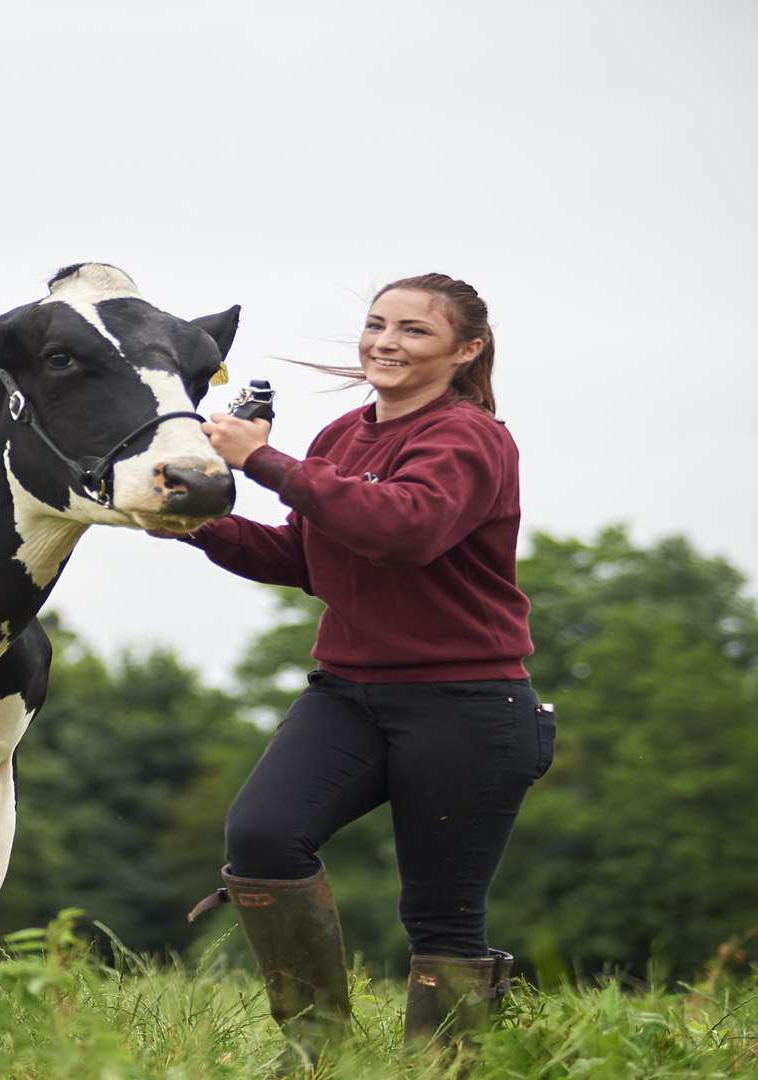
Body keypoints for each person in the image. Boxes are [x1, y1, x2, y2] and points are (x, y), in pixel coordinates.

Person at [173, 273, 551, 1056]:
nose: (385, 342)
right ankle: (322, 1056)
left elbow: (405, 529)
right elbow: (307, 559)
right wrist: (196, 522)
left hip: (467, 703)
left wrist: (267, 461)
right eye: (378, 324)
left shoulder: (471, 437)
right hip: (348, 693)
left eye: (414, 330)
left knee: (442, 918)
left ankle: (441, 1070)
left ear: (466, 349)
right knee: (263, 835)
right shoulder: (342, 436)